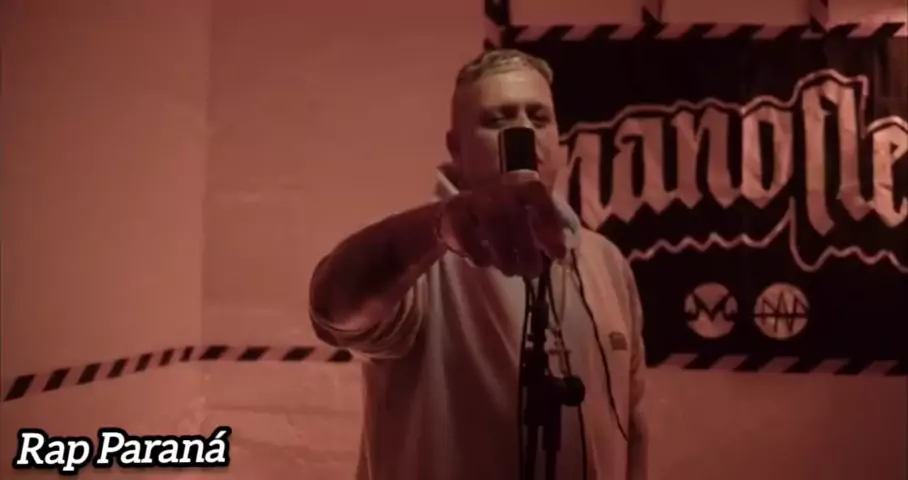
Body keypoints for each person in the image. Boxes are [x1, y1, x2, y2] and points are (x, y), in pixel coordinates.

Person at [309, 49, 648, 480]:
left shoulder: (607, 262)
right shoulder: (421, 260)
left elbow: (632, 425)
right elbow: (333, 310)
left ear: (560, 139)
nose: (523, 132)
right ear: (457, 148)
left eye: (538, 117)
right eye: (497, 120)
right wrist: (440, 228)